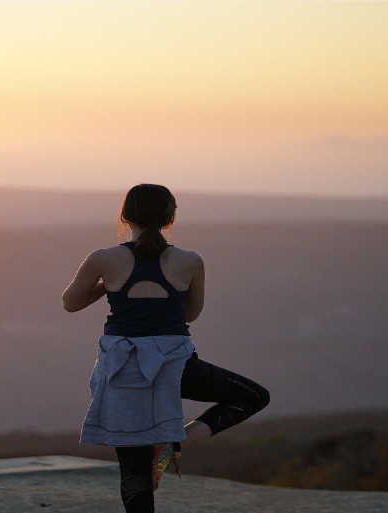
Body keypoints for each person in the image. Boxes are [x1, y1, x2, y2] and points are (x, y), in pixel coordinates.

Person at [61, 184, 270, 513]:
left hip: (122, 370)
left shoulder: (103, 258)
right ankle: (175, 440)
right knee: (254, 396)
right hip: (176, 367)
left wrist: (107, 284)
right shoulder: (190, 260)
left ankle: (166, 442)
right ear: (170, 217)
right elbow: (190, 314)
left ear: (125, 216)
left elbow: (70, 304)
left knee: (134, 473)